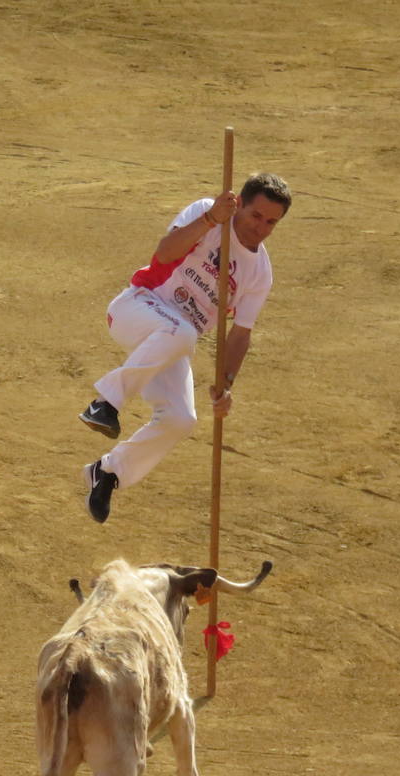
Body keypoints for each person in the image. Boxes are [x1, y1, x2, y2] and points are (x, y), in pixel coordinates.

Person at [78, 172, 291, 523]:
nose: (262, 228)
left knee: (180, 419)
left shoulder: (260, 272)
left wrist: (226, 384)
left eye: (272, 223)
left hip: (171, 341)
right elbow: (163, 253)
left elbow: (240, 333)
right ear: (238, 202)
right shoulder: (208, 212)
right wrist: (210, 220)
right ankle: (105, 402)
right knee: (184, 333)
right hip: (136, 307)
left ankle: (108, 472)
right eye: (256, 216)